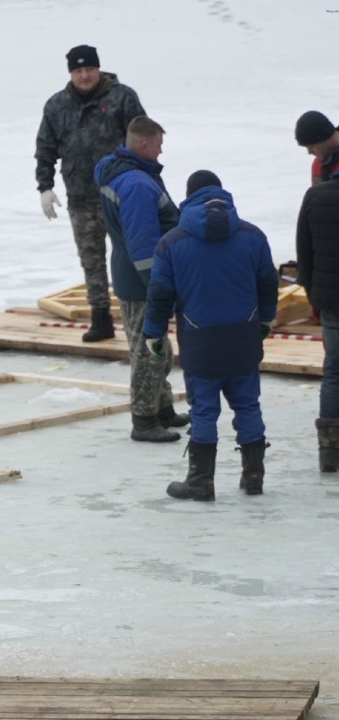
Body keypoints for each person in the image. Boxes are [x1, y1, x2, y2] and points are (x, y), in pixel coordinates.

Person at [144, 171, 279, 501]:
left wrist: (153, 332)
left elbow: (160, 294)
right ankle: (254, 476)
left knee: (204, 409)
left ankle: (201, 481)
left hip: (200, 339)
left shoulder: (172, 243)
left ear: (188, 197)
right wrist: (265, 320)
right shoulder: (253, 236)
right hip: (243, 336)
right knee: (248, 405)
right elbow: (268, 283)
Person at [35, 44, 146, 343]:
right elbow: (45, 149)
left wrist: (143, 182)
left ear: (98, 69)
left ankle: (141, 315)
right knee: (91, 258)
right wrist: (45, 186)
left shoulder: (123, 97)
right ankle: (101, 318)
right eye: (78, 71)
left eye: (89, 69)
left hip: (120, 196)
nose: (84, 76)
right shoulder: (56, 106)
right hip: (80, 196)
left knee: (131, 255)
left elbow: (142, 140)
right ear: (71, 73)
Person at [94, 116, 187, 442]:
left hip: (128, 270)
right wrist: (158, 287)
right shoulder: (136, 185)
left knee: (157, 346)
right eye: (159, 146)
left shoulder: (113, 168)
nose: (161, 153)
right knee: (149, 351)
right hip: (141, 279)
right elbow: (143, 244)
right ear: (144, 145)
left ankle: (162, 408)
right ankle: (144, 421)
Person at [296, 159, 339, 472]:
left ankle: (329, 451)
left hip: (331, 300)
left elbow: (304, 252)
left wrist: (313, 296)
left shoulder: (315, 196)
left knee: (334, 371)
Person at [295, 110, 339, 185]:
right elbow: (318, 195)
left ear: (325, 138)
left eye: (311, 147)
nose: (309, 152)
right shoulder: (319, 165)